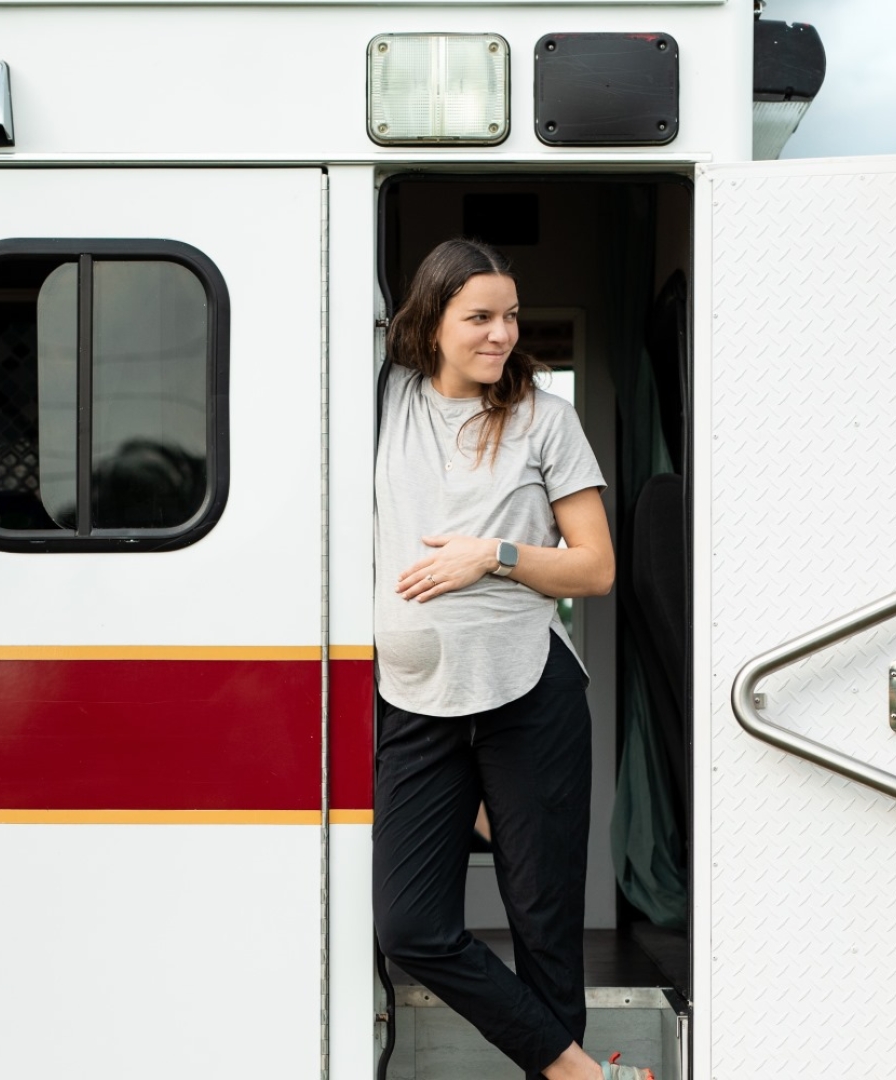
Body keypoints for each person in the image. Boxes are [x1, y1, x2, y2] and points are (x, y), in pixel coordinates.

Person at [373, 239, 648, 1080]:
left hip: (529, 694)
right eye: (480, 317)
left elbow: (595, 568)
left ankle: (563, 1076)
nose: (502, 333)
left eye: (512, 315)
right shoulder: (386, 401)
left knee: (543, 918)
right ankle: (580, 1073)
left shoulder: (544, 420)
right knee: (410, 925)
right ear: (430, 323)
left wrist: (493, 554)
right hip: (415, 699)